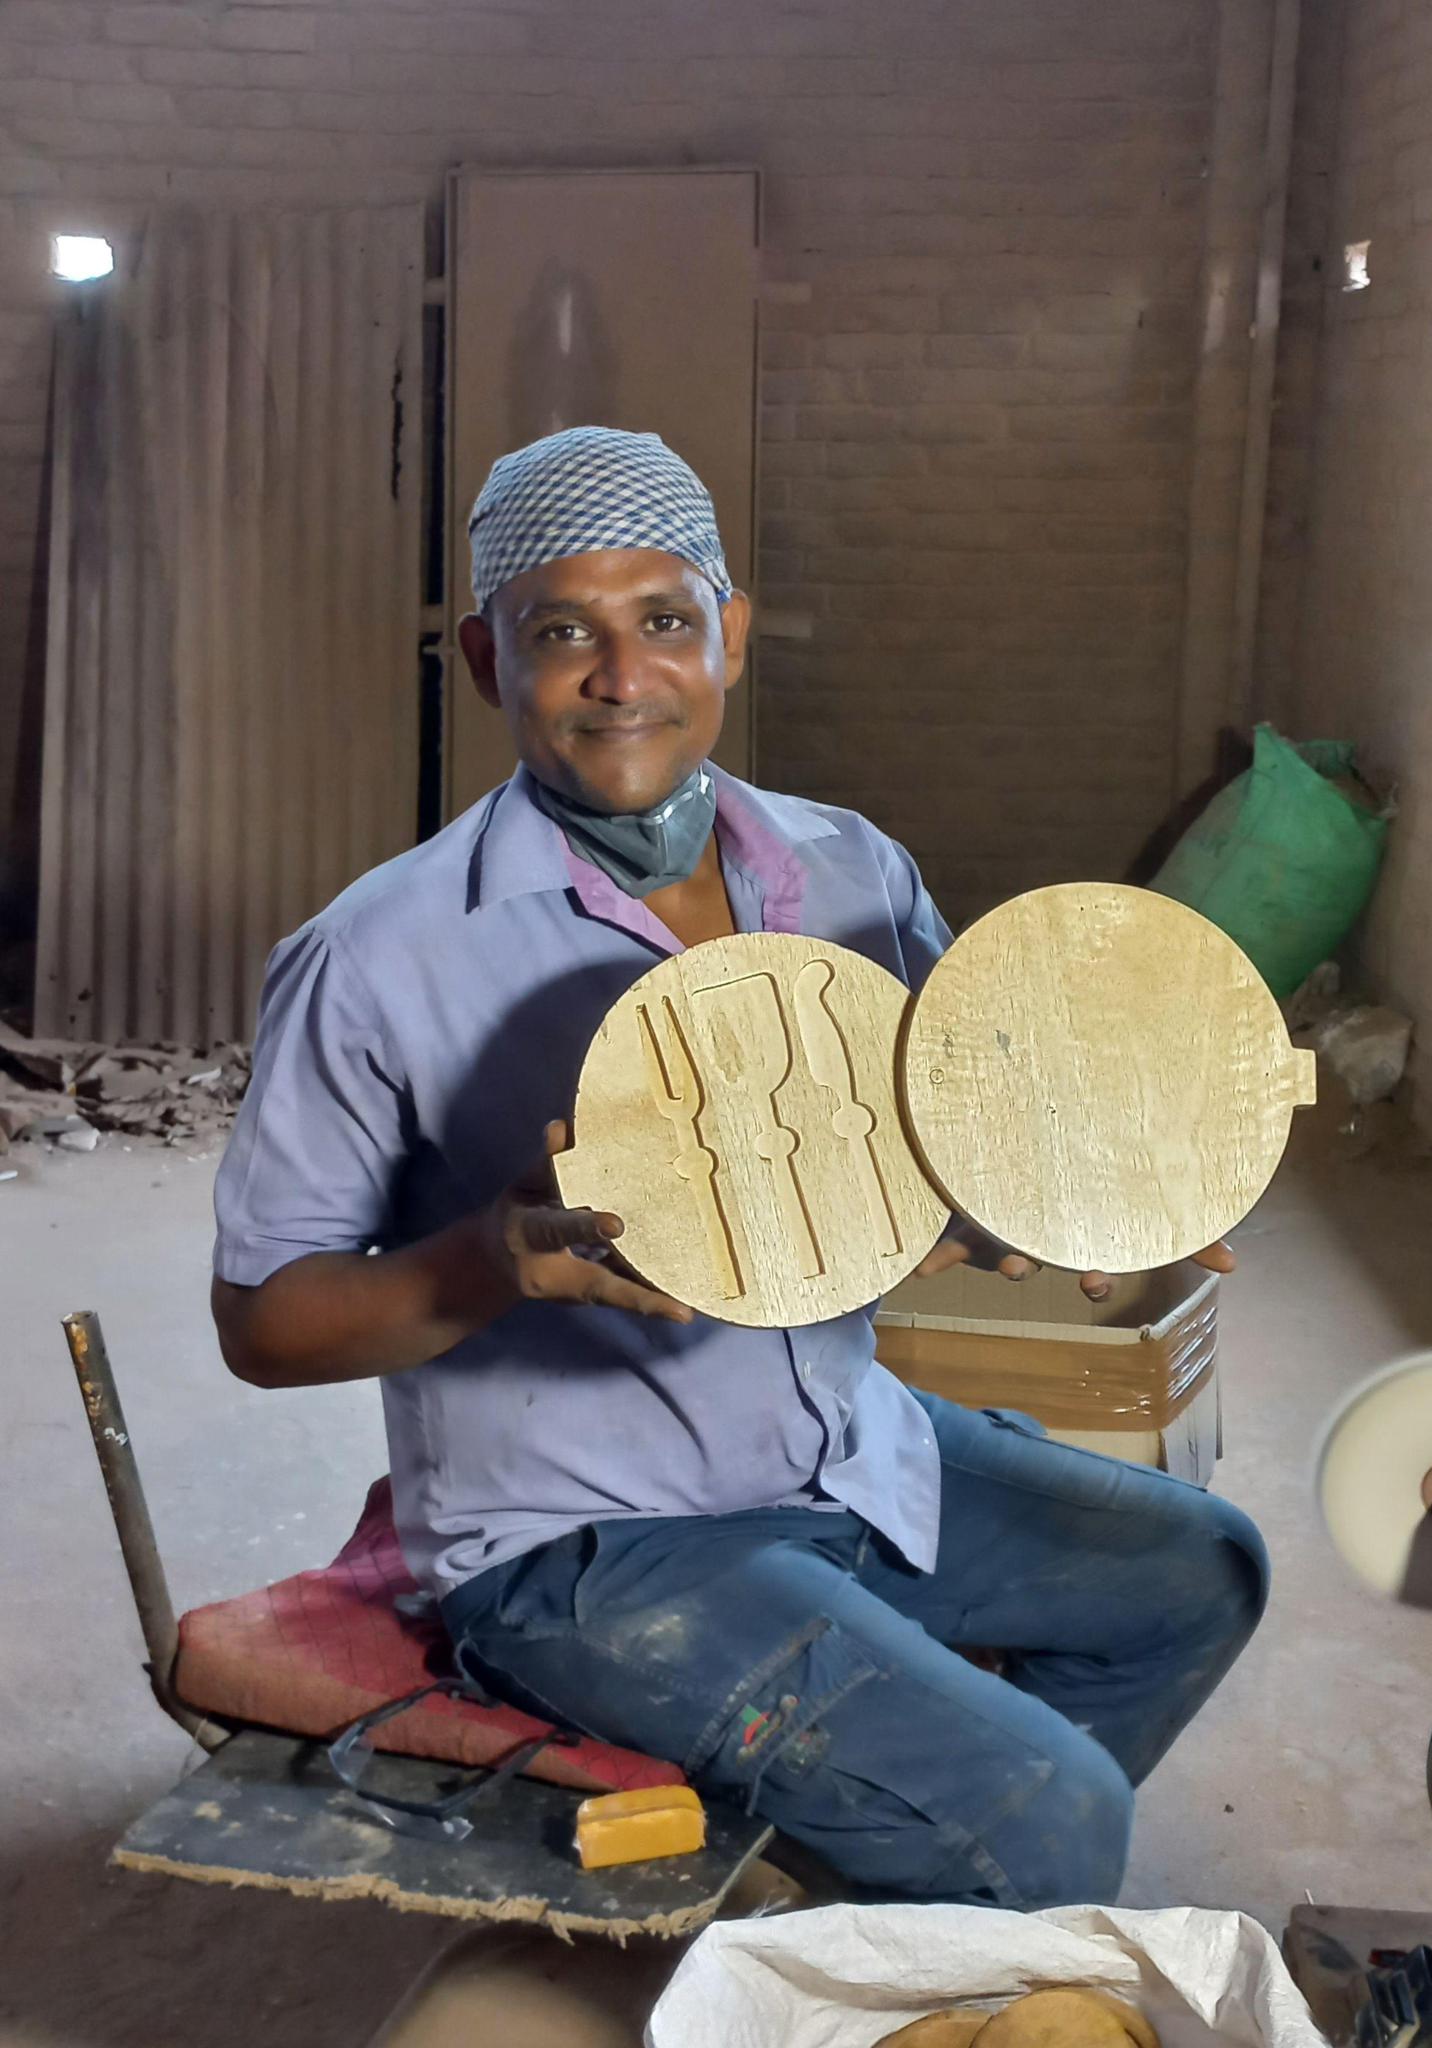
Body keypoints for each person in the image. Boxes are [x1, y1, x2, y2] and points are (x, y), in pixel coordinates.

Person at [212, 426, 1265, 1911]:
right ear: (481, 656)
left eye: (664, 622)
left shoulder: (852, 873)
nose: (622, 678)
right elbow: (261, 1325)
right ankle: (967, 1879)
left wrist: (1072, 1184)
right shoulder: (377, 957)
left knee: (1200, 1574)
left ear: (732, 635)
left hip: (840, 1445)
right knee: (1051, 1814)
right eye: (560, 632)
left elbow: (958, 1125)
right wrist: (485, 1261)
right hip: (587, 1543)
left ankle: (894, 1904)